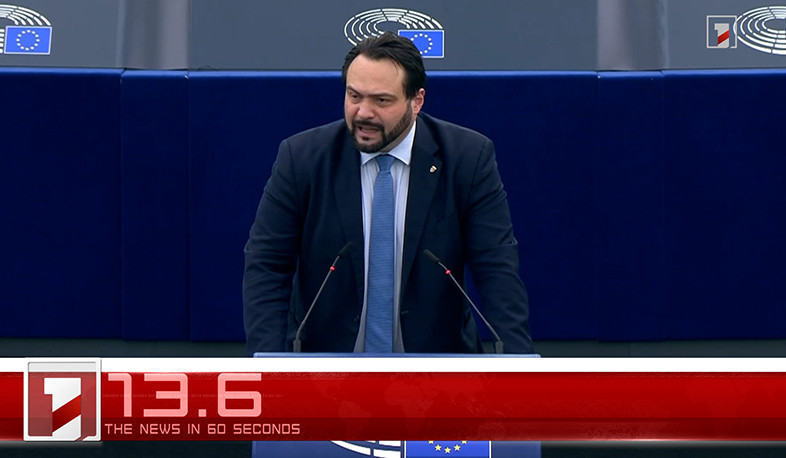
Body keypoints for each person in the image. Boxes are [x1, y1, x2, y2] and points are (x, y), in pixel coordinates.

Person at [243, 32, 532, 355]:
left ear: (416, 101)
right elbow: (267, 265)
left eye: (381, 101)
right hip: (325, 365)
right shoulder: (302, 158)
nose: (363, 113)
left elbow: (497, 269)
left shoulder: (467, 158)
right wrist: (266, 368)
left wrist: (520, 367)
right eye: (354, 96)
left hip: (436, 368)